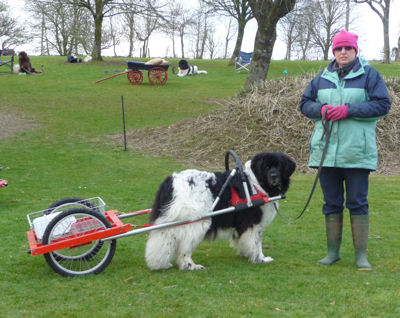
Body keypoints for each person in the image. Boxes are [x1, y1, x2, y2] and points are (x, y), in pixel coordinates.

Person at [300, 29, 391, 270]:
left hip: (357, 152)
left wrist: (348, 110)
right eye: (339, 48)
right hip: (326, 152)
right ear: (334, 51)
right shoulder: (321, 77)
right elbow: (305, 104)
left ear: (355, 51)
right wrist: (320, 111)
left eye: (347, 48)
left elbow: (382, 105)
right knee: (331, 203)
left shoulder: (370, 75)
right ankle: (333, 253)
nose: (343, 52)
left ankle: (361, 255)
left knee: (358, 203)